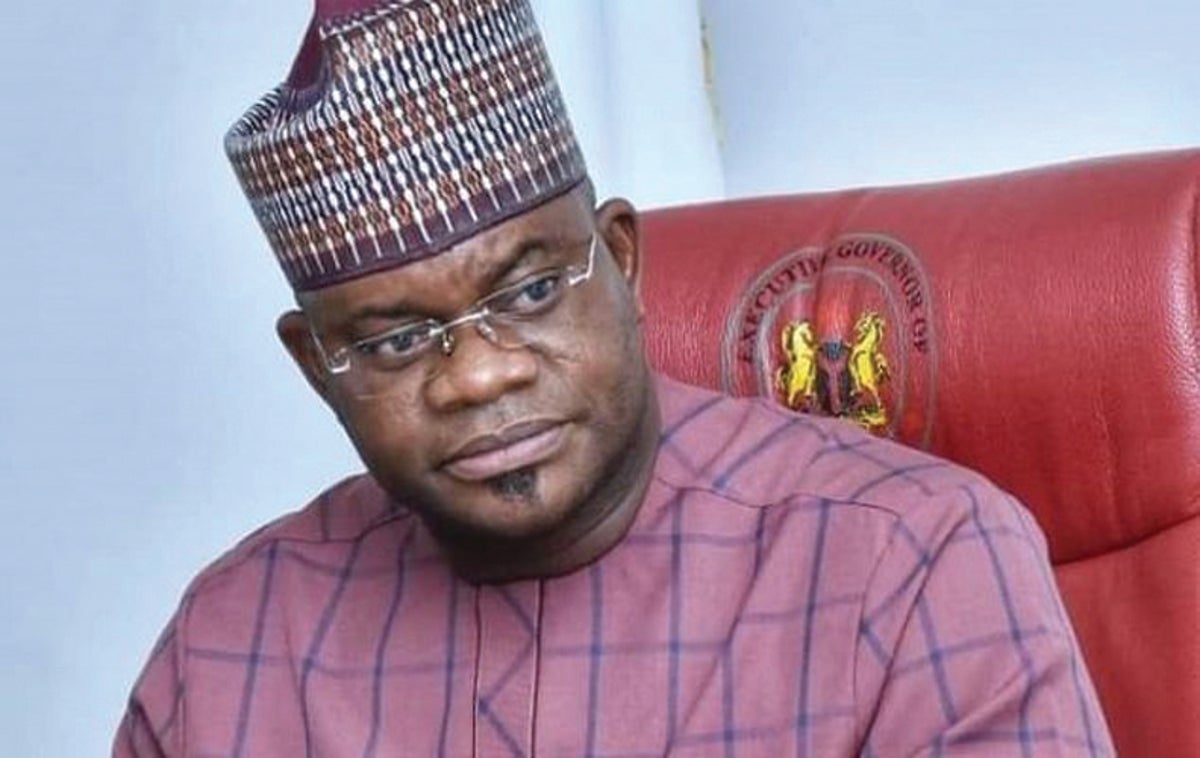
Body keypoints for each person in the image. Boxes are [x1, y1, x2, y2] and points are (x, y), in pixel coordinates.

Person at [115, 0, 1114, 755]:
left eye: (530, 291)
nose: (479, 375)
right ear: (316, 368)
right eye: (396, 341)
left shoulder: (914, 563)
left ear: (621, 260)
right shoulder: (232, 644)